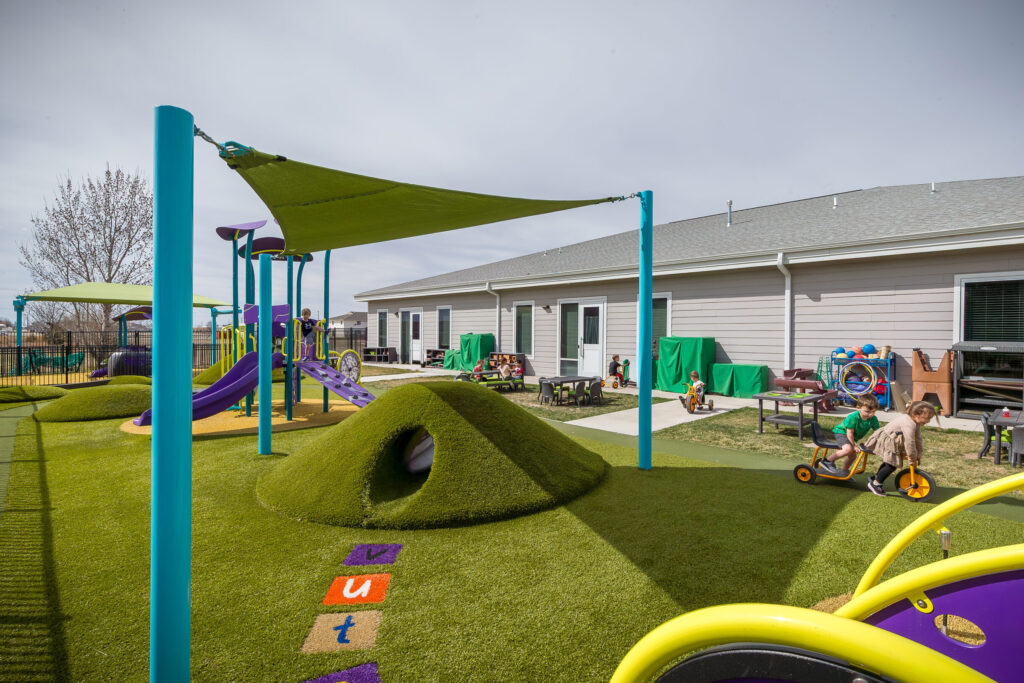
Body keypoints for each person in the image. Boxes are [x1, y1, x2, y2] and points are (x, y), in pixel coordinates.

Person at [862, 400, 936, 496]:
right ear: (916, 415)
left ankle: (877, 477)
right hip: (887, 440)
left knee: (889, 462)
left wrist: (919, 453)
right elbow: (910, 442)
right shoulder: (909, 423)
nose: (928, 421)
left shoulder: (914, 422)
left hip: (894, 440)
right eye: (926, 418)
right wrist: (912, 456)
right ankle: (876, 484)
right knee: (892, 464)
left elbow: (918, 439)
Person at [819, 394, 880, 474]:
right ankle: (827, 461)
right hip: (842, 433)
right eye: (867, 412)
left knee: (853, 456)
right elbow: (849, 433)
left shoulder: (873, 419)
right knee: (848, 449)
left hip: (851, 436)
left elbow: (878, 431)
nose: (871, 414)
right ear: (858, 408)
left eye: (873, 412)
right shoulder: (853, 417)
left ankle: (844, 471)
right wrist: (853, 445)